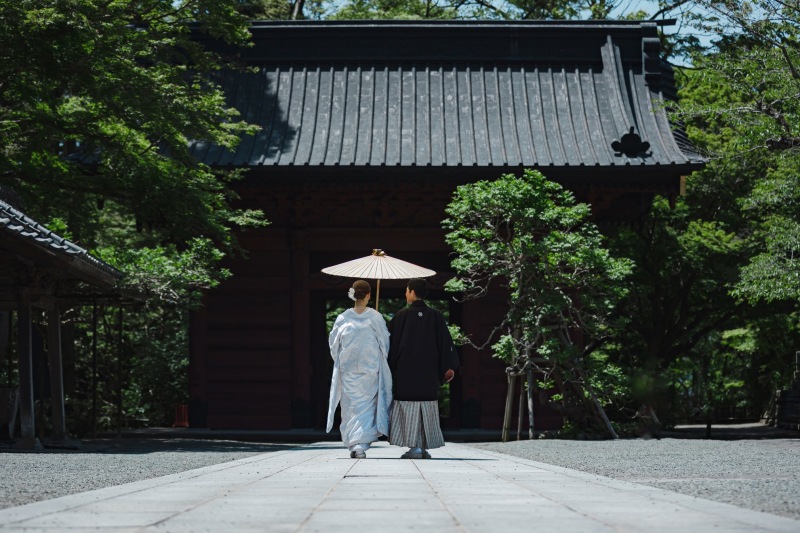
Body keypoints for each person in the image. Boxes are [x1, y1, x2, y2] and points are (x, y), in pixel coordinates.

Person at [388, 278, 459, 459]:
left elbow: (391, 346)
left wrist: (389, 367)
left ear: (412, 292)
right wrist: (448, 367)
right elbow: (445, 344)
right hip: (428, 373)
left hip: (406, 372)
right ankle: (422, 446)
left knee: (409, 407)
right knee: (425, 407)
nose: (405, 293)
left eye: (406, 290)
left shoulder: (401, 316)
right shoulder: (435, 316)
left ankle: (415, 447)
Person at [326, 279, 393, 459]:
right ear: (369, 295)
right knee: (366, 405)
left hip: (348, 368)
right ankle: (360, 443)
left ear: (352, 294)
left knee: (350, 406)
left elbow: (334, 344)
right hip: (369, 367)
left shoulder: (343, 318)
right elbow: (385, 343)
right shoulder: (375, 317)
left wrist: (341, 359)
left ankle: (355, 443)